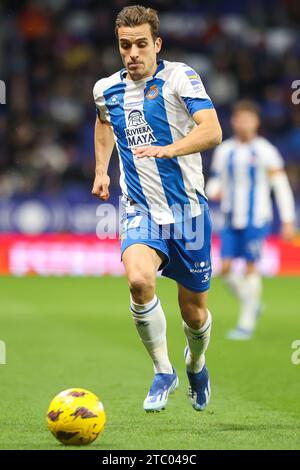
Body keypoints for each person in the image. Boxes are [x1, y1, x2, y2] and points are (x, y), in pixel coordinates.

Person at [92, 5, 222, 412]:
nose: (132, 53)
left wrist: (169, 149)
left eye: (141, 44)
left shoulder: (180, 77)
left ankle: (195, 363)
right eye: (124, 45)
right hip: (139, 209)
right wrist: (102, 170)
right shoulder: (106, 88)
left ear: (157, 44)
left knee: (195, 313)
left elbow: (212, 130)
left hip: (189, 214)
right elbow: (103, 122)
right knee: (138, 281)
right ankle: (163, 369)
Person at [206, 100, 296, 340]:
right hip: (230, 218)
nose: (243, 123)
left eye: (248, 118)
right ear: (233, 121)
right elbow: (215, 179)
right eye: (239, 118)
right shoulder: (225, 150)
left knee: (250, 267)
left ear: (256, 122)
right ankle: (252, 303)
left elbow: (281, 186)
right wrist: (212, 189)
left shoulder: (266, 151)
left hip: (256, 219)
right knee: (223, 270)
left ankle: (246, 322)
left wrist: (288, 220)